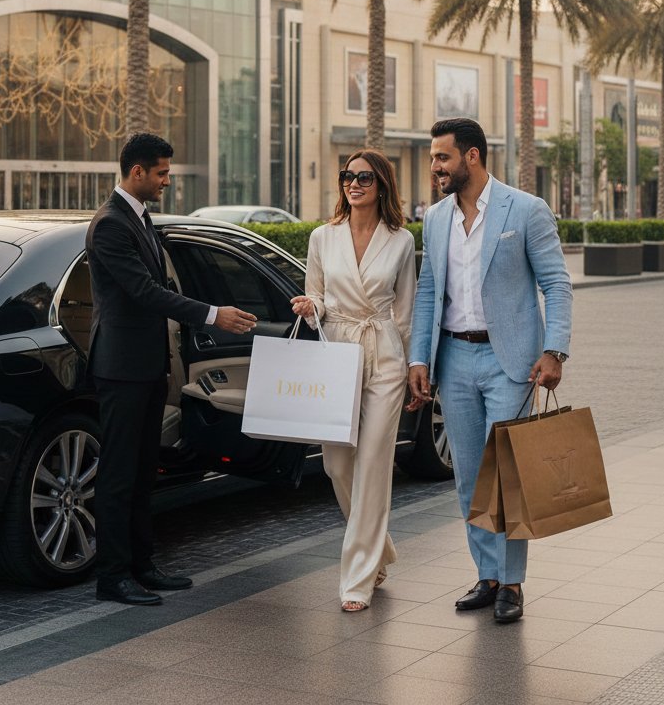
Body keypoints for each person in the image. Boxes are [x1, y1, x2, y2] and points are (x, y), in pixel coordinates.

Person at [407, 118, 572, 624]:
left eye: (442, 157)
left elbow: (557, 285)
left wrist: (554, 351)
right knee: (470, 477)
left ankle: (513, 583)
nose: (434, 166)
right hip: (453, 359)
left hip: (513, 364)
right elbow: (429, 291)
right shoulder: (435, 219)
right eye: (434, 158)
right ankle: (488, 573)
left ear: (471, 156)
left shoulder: (525, 209)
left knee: (509, 475)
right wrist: (420, 357)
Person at [86, 132, 258, 606]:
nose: (167, 181)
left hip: (145, 366)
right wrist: (212, 314)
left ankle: (142, 565)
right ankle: (112, 576)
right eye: (161, 173)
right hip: (120, 368)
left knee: (145, 470)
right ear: (136, 172)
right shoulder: (110, 225)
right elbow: (145, 293)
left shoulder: (141, 219)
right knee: (119, 473)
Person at [290, 149, 416, 613]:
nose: (354, 183)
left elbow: (405, 311)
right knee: (337, 465)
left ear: (381, 184)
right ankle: (379, 550)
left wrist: (416, 368)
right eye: (348, 176)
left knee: (373, 465)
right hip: (337, 352)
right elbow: (318, 295)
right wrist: (310, 306)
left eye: (364, 177)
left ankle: (358, 577)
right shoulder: (323, 237)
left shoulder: (400, 241)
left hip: (384, 354)